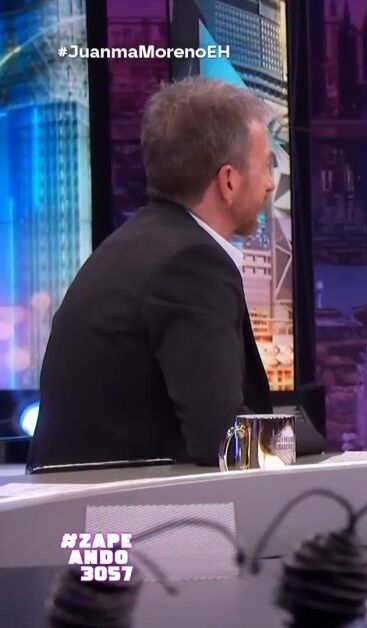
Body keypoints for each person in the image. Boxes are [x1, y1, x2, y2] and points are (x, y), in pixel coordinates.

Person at [28, 77, 275, 469]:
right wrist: (308, 437)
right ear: (228, 181)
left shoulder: (137, 245)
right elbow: (225, 438)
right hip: (123, 504)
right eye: (265, 167)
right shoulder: (192, 263)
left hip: (91, 498)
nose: (271, 184)